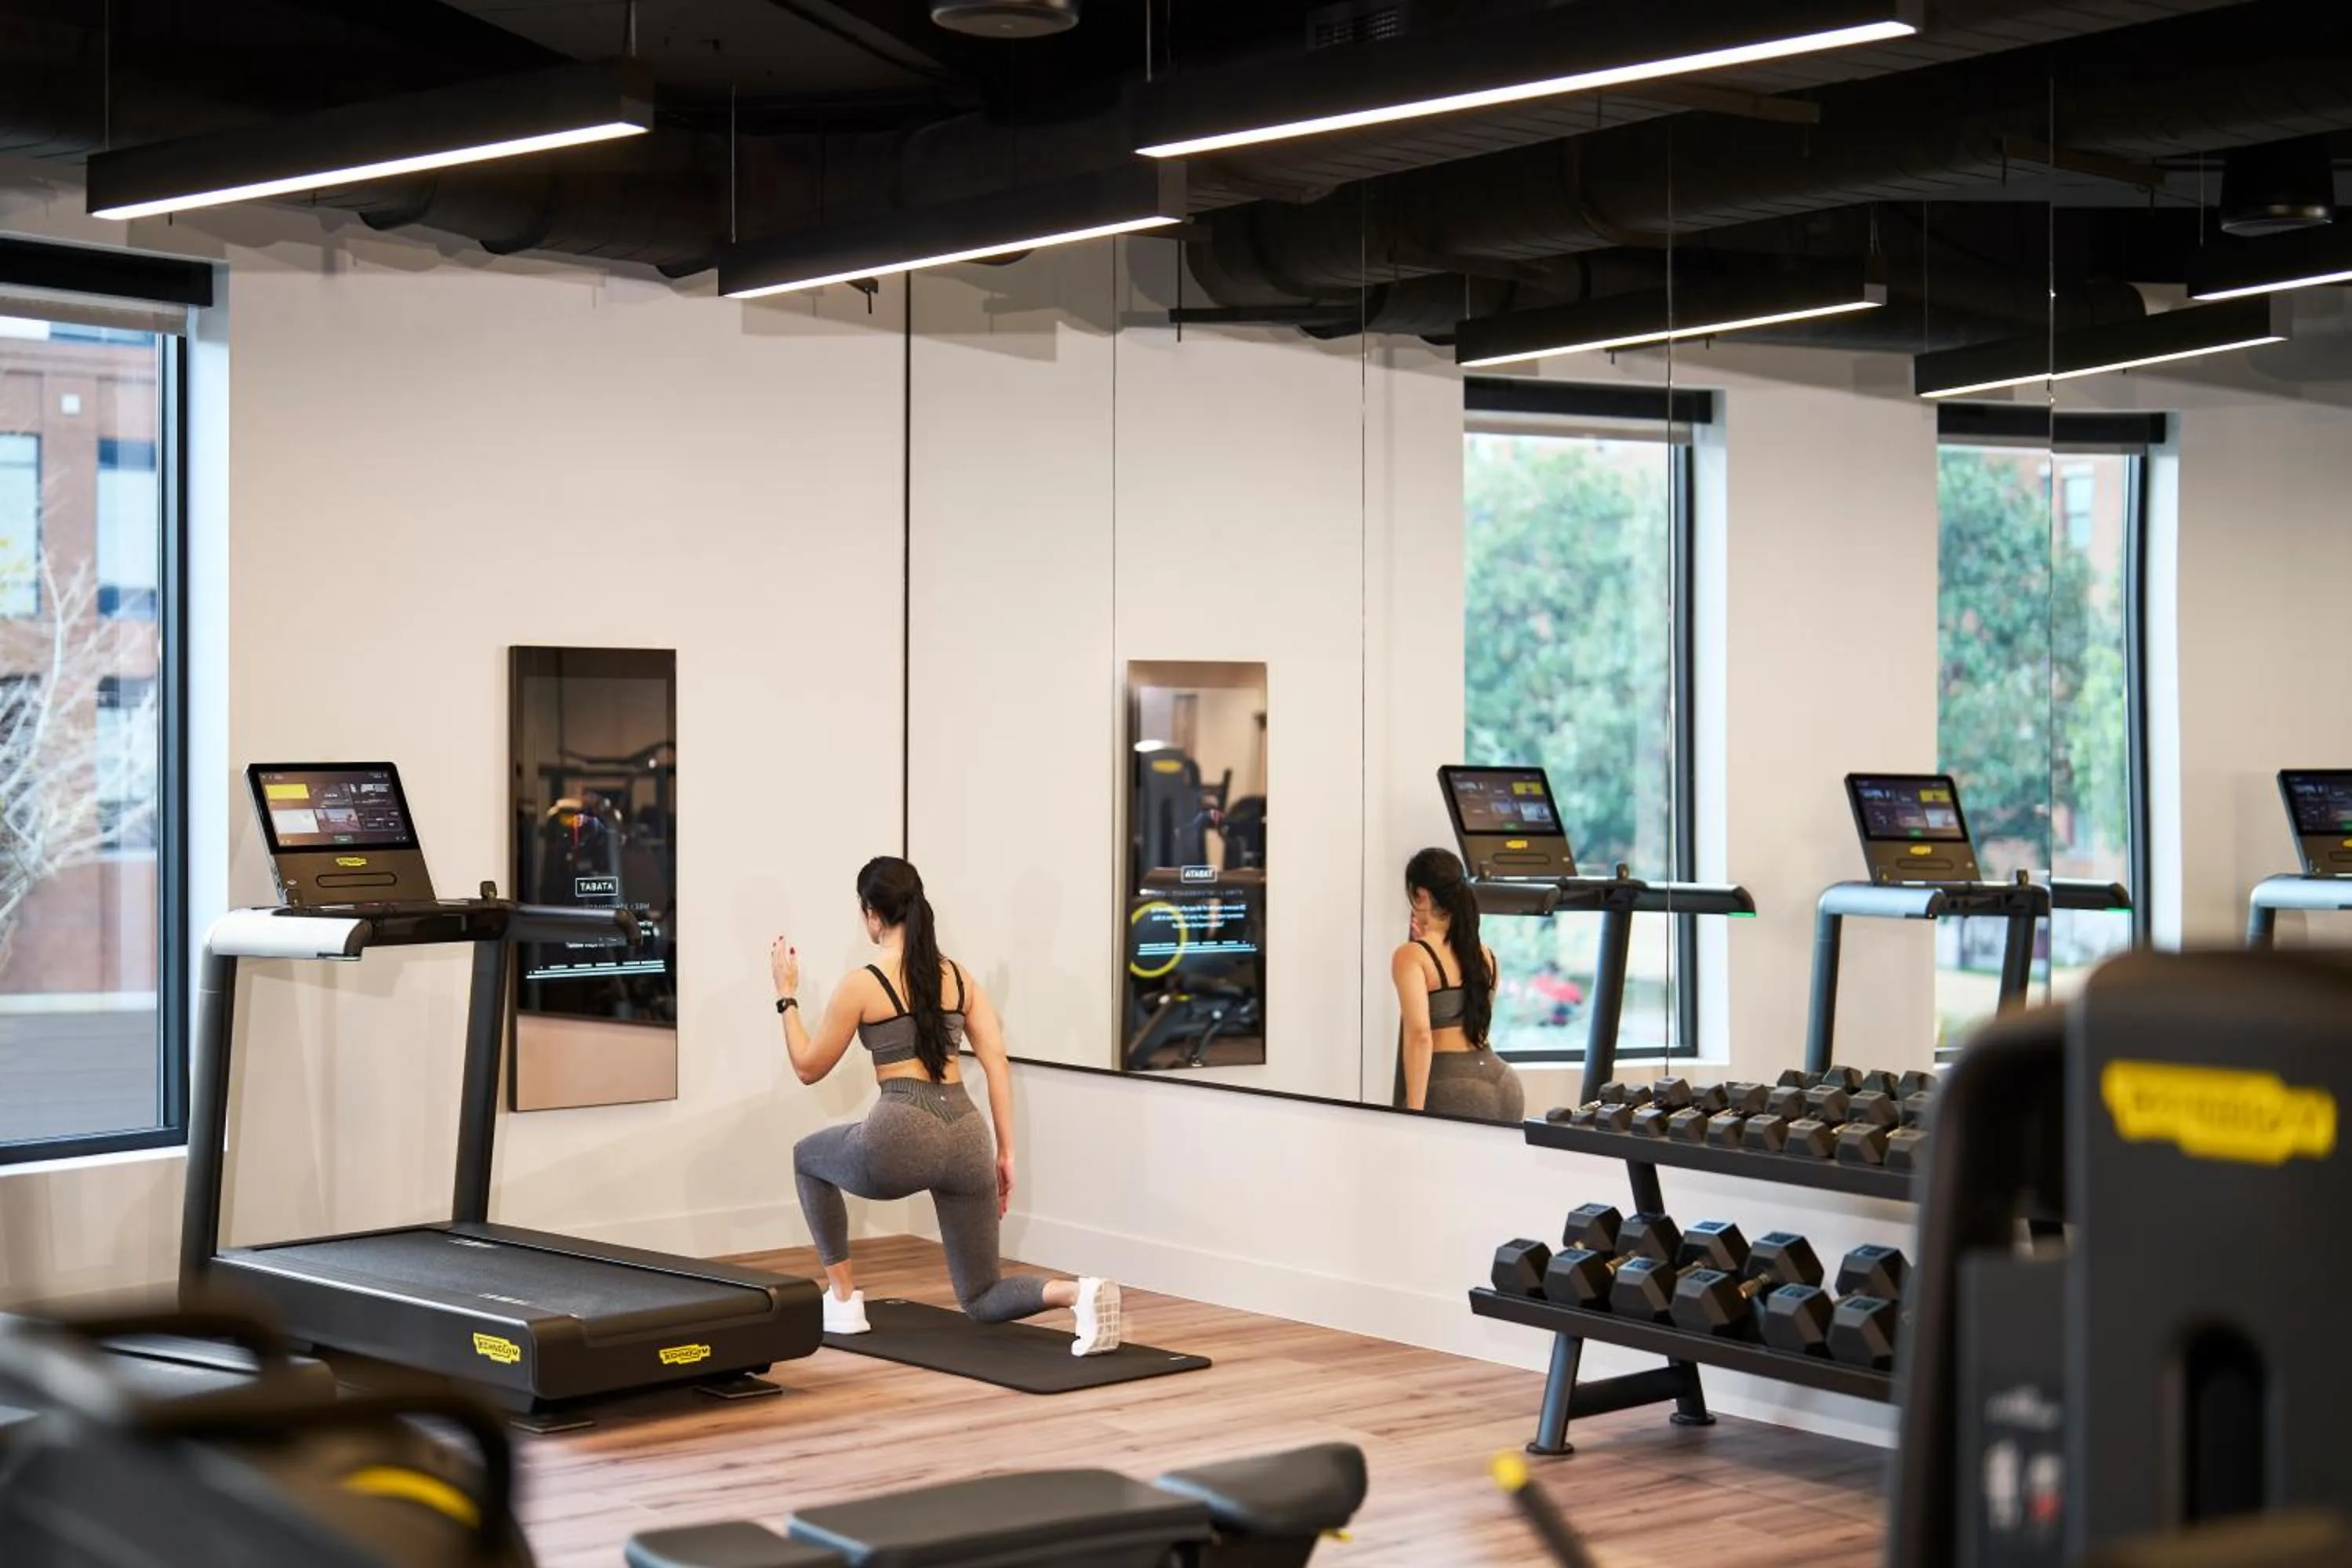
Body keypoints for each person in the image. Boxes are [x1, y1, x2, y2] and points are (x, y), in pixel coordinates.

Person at [771, 855, 1123, 1355]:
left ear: (872, 912)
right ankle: (1077, 1293)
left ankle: (844, 1302)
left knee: (808, 1159)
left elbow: (808, 1067)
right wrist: (1006, 1154)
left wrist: (787, 996)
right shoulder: (958, 978)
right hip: (966, 1133)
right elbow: (996, 1063)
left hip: (900, 1132)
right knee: (980, 1295)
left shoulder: (863, 983)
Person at [1392, 846, 1525, 1123]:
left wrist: (1412, 1116)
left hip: (1451, 1089)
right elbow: (1476, 1024)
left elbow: (1420, 1035)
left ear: (1421, 895)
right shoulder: (1486, 956)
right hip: (1502, 1083)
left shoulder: (1412, 956)